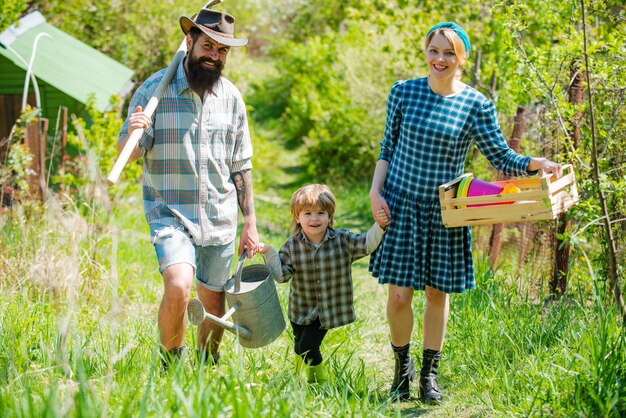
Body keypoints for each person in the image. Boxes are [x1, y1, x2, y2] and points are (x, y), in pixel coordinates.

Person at [368, 22, 563, 402]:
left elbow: (500, 155)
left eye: (449, 53)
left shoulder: (475, 104)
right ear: (425, 52)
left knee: (438, 295)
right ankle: (400, 372)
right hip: (401, 207)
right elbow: (387, 147)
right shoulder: (403, 93)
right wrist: (376, 193)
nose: (440, 59)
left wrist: (536, 162)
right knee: (399, 297)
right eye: (434, 50)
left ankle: (428, 375)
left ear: (462, 58)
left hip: (447, 211)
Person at [117, 6, 259, 369]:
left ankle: (206, 362)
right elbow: (128, 156)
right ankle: (170, 364)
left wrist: (250, 222)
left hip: (219, 215)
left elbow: (240, 166)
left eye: (222, 50)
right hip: (170, 212)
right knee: (179, 286)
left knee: (214, 304)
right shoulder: (153, 92)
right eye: (208, 45)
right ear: (190, 41)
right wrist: (135, 127)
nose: (214, 55)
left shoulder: (231, 97)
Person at [259, 184, 388, 383]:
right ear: (297, 217)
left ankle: (318, 383)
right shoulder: (292, 246)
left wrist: (379, 225)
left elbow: (367, 244)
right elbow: (282, 276)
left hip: (326, 310)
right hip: (300, 308)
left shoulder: (342, 240)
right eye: (308, 213)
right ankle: (299, 379)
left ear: (330, 216)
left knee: (308, 347)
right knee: (299, 345)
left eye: (321, 213)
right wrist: (269, 253)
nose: (314, 218)